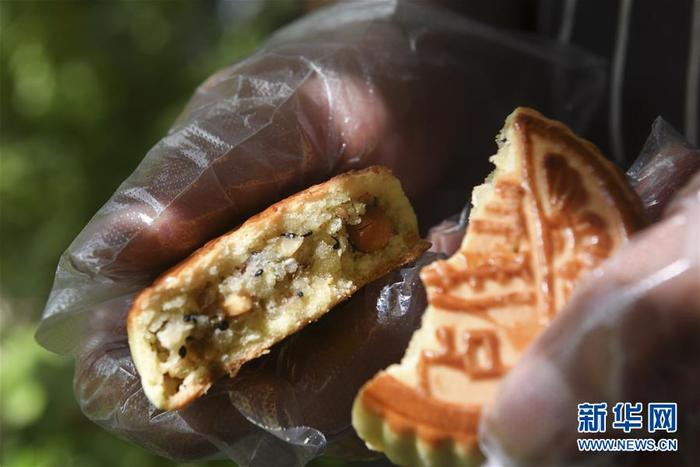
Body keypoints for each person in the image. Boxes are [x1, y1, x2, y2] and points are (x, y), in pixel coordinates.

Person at [37, 1, 700, 466]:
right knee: (612, 425)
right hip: (557, 192)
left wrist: (660, 431)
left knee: (653, 421)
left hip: (621, 278)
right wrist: (417, 21)